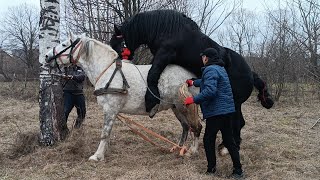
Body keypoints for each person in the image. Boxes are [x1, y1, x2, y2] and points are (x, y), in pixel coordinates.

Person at [184, 48, 243, 178]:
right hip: (227, 111)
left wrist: (193, 99)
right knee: (229, 140)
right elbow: (207, 81)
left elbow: (210, 90)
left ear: (207, 58)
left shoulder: (210, 69)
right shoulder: (219, 68)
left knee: (208, 140)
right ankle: (238, 170)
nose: (202, 59)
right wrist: (194, 82)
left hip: (216, 112)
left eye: (203, 56)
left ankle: (211, 170)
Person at [62, 64, 86, 130]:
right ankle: (64, 129)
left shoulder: (80, 68)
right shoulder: (64, 68)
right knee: (65, 112)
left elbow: (82, 77)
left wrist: (72, 77)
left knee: (82, 112)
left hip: (79, 93)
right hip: (68, 93)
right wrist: (63, 77)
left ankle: (76, 128)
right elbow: (60, 75)